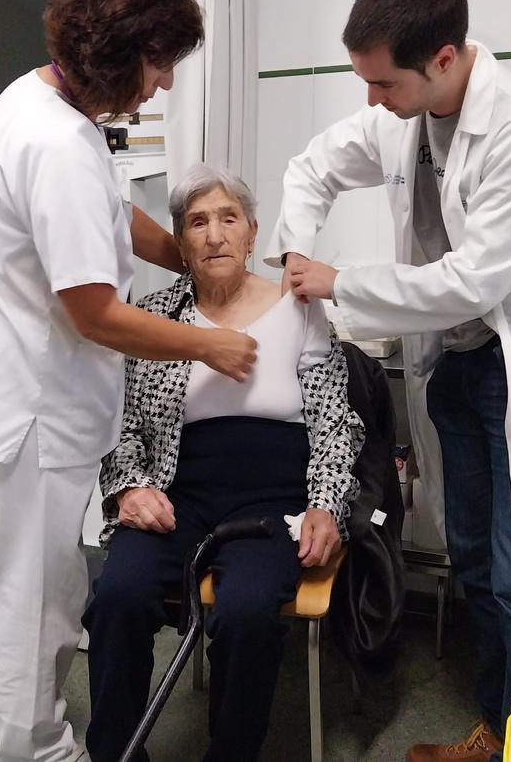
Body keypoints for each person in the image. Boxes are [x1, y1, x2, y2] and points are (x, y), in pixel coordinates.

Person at [271, 0, 511, 762]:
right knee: (471, 556)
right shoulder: (402, 114)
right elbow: (311, 168)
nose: (372, 101)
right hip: (458, 368)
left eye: (383, 83)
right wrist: (296, 252)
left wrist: (340, 281)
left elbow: (476, 279)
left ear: (445, 60)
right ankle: (499, 733)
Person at [0, 0, 258, 762]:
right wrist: (210, 343)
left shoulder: (36, 99)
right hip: (35, 411)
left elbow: (113, 219)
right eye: (159, 64)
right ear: (118, 53)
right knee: (41, 595)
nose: (166, 83)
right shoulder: (57, 148)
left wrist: (191, 253)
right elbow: (96, 314)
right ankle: (37, 744)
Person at [83, 166, 362, 762]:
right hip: (176, 491)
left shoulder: (299, 308)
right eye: (197, 222)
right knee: (118, 596)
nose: (214, 235)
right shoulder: (154, 313)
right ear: (180, 244)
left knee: (247, 612)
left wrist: (326, 506)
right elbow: (120, 425)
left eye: (228, 219)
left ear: (252, 234)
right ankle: (115, 753)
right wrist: (130, 488)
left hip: (274, 503)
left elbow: (337, 425)